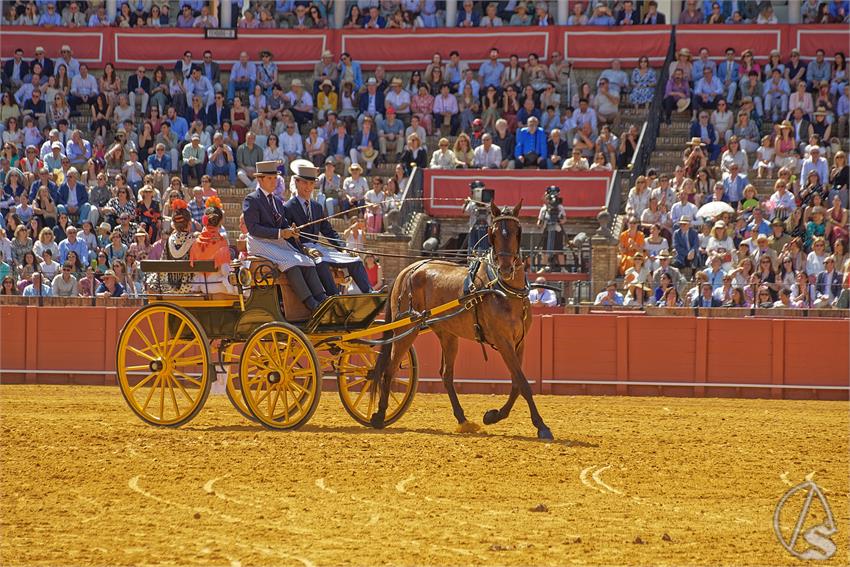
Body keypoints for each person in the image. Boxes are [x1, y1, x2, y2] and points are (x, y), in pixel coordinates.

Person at [242, 161, 328, 312]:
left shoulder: (276, 200)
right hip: (259, 242)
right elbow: (254, 229)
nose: (273, 181)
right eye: (269, 178)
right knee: (291, 262)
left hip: (276, 241)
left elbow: (283, 223)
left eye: (275, 178)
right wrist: (281, 233)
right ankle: (311, 305)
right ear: (260, 179)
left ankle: (322, 299)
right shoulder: (252, 199)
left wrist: (291, 230)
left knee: (306, 260)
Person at [283, 159, 372, 295]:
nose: (308, 187)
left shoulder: (317, 207)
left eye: (311, 183)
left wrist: (344, 248)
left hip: (318, 249)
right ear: (297, 182)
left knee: (355, 259)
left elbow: (328, 231)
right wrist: (304, 249)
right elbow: (287, 238)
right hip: (301, 252)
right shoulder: (288, 207)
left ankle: (369, 293)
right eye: (305, 183)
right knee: (320, 262)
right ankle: (333, 297)